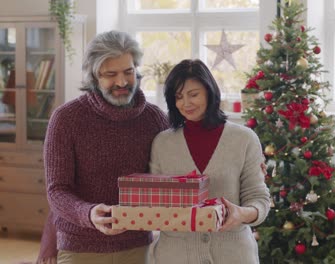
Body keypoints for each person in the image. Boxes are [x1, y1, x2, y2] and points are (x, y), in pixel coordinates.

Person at [39, 30, 169, 264]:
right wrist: (89, 214)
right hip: (80, 248)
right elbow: (57, 190)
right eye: (111, 74)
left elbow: (174, 172)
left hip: (139, 248)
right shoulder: (66, 119)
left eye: (128, 72)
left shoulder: (155, 119)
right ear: (94, 76)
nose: (121, 82)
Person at [149, 59, 270, 264]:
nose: (185, 103)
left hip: (233, 254)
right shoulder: (162, 143)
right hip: (175, 255)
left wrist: (240, 214)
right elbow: (155, 201)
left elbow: (259, 199)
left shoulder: (244, 139)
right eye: (178, 97)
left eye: (193, 94)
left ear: (209, 92)